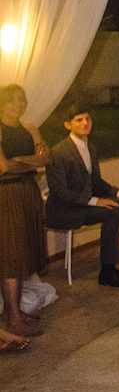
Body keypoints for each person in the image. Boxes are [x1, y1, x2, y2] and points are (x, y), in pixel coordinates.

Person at [45, 104, 119, 287]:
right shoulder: (59, 152)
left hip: (85, 204)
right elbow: (60, 192)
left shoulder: (90, 147)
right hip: (67, 210)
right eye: (79, 120)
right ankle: (107, 271)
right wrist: (95, 201)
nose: (85, 123)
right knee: (112, 211)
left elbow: (97, 182)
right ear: (68, 125)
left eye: (88, 118)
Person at [0, 84, 51, 342]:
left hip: (28, 193)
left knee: (24, 255)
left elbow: (47, 158)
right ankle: (13, 320)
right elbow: (2, 167)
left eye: (21, 100)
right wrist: (31, 160)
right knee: (11, 256)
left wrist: (20, 161)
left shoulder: (30, 129)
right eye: (11, 101)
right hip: (6, 197)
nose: (17, 105)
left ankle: (16, 312)